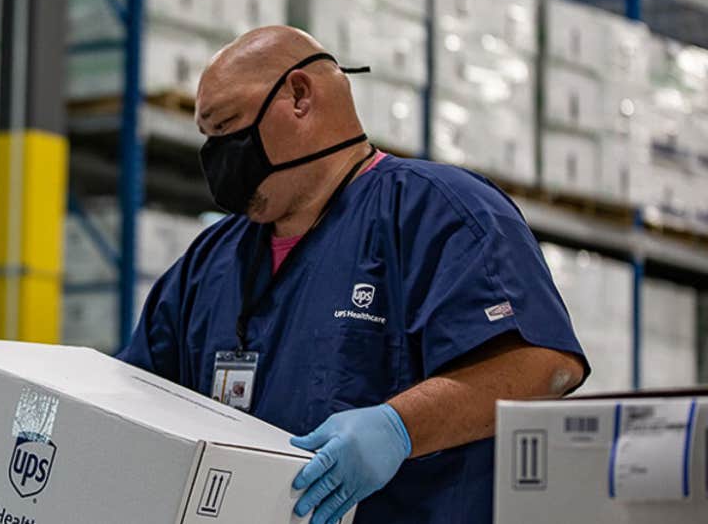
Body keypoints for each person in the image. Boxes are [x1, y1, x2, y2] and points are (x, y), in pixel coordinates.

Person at [117, 26, 588, 524]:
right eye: (207, 138)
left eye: (227, 127)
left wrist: (398, 427)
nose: (216, 157)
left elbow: (542, 364)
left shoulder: (436, 212)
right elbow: (137, 396)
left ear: (299, 95)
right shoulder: (209, 261)